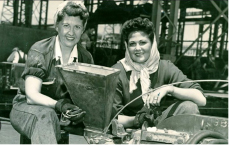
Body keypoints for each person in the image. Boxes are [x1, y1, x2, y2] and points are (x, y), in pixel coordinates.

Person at [10, 1, 93, 144]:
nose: (71, 33)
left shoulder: (86, 58)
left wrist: (78, 111)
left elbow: (86, 97)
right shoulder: (40, 50)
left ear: (83, 28)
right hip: (26, 108)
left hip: (60, 115)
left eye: (77, 27)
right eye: (66, 25)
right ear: (57, 26)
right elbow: (31, 96)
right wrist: (60, 105)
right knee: (47, 116)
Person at [111, 17, 206, 128]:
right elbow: (111, 117)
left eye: (143, 42)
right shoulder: (117, 72)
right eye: (132, 44)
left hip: (158, 125)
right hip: (127, 129)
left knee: (188, 107)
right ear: (126, 46)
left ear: (152, 44)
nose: (137, 48)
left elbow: (201, 100)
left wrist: (169, 89)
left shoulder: (165, 67)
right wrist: (138, 120)